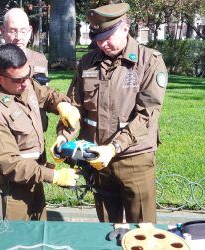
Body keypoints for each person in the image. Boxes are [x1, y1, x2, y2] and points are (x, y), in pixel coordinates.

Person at [52, 3, 167, 224]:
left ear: (125, 28)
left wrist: (114, 147)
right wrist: (63, 136)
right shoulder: (88, 62)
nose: (102, 44)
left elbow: (147, 116)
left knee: (142, 229)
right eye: (98, 38)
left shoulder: (149, 61)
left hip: (134, 158)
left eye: (107, 36)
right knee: (106, 228)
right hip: (98, 160)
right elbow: (74, 107)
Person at [0, 44, 80, 221]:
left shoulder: (21, 83)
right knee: (16, 241)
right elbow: (10, 164)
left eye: (28, 75)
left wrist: (61, 105)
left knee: (38, 236)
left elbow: (45, 94)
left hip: (33, 180)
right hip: (11, 191)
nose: (26, 82)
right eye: (19, 80)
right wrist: (54, 176)